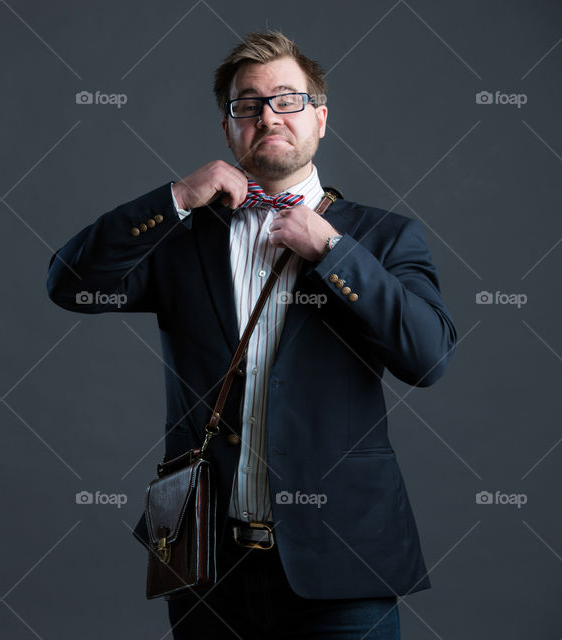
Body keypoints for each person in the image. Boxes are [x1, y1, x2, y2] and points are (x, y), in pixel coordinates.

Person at [46, 31, 457, 639]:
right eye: (248, 104)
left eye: (286, 99)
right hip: (208, 568)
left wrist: (333, 252)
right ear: (228, 128)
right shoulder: (183, 237)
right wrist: (179, 197)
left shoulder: (385, 238)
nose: (268, 115)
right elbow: (72, 285)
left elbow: (428, 358)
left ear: (319, 117)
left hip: (344, 566)